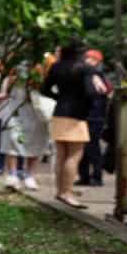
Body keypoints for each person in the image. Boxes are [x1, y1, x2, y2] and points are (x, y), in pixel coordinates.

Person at [44, 40, 106, 209]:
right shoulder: (84, 68)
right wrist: (95, 98)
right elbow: (90, 92)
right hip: (77, 116)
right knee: (75, 155)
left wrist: (59, 98)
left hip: (59, 113)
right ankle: (67, 193)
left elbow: (44, 89)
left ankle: (60, 191)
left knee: (61, 155)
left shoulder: (56, 66)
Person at [78, 48, 114, 187]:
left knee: (92, 147)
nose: (88, 61)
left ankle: (97, 177)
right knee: (83, 147)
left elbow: (104, 92)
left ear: (97, 62)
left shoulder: (97, 75)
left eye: (92, 59)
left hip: (94, 116)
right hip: (88, 115)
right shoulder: (87, 75)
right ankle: (84, 176)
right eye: (87, 58)